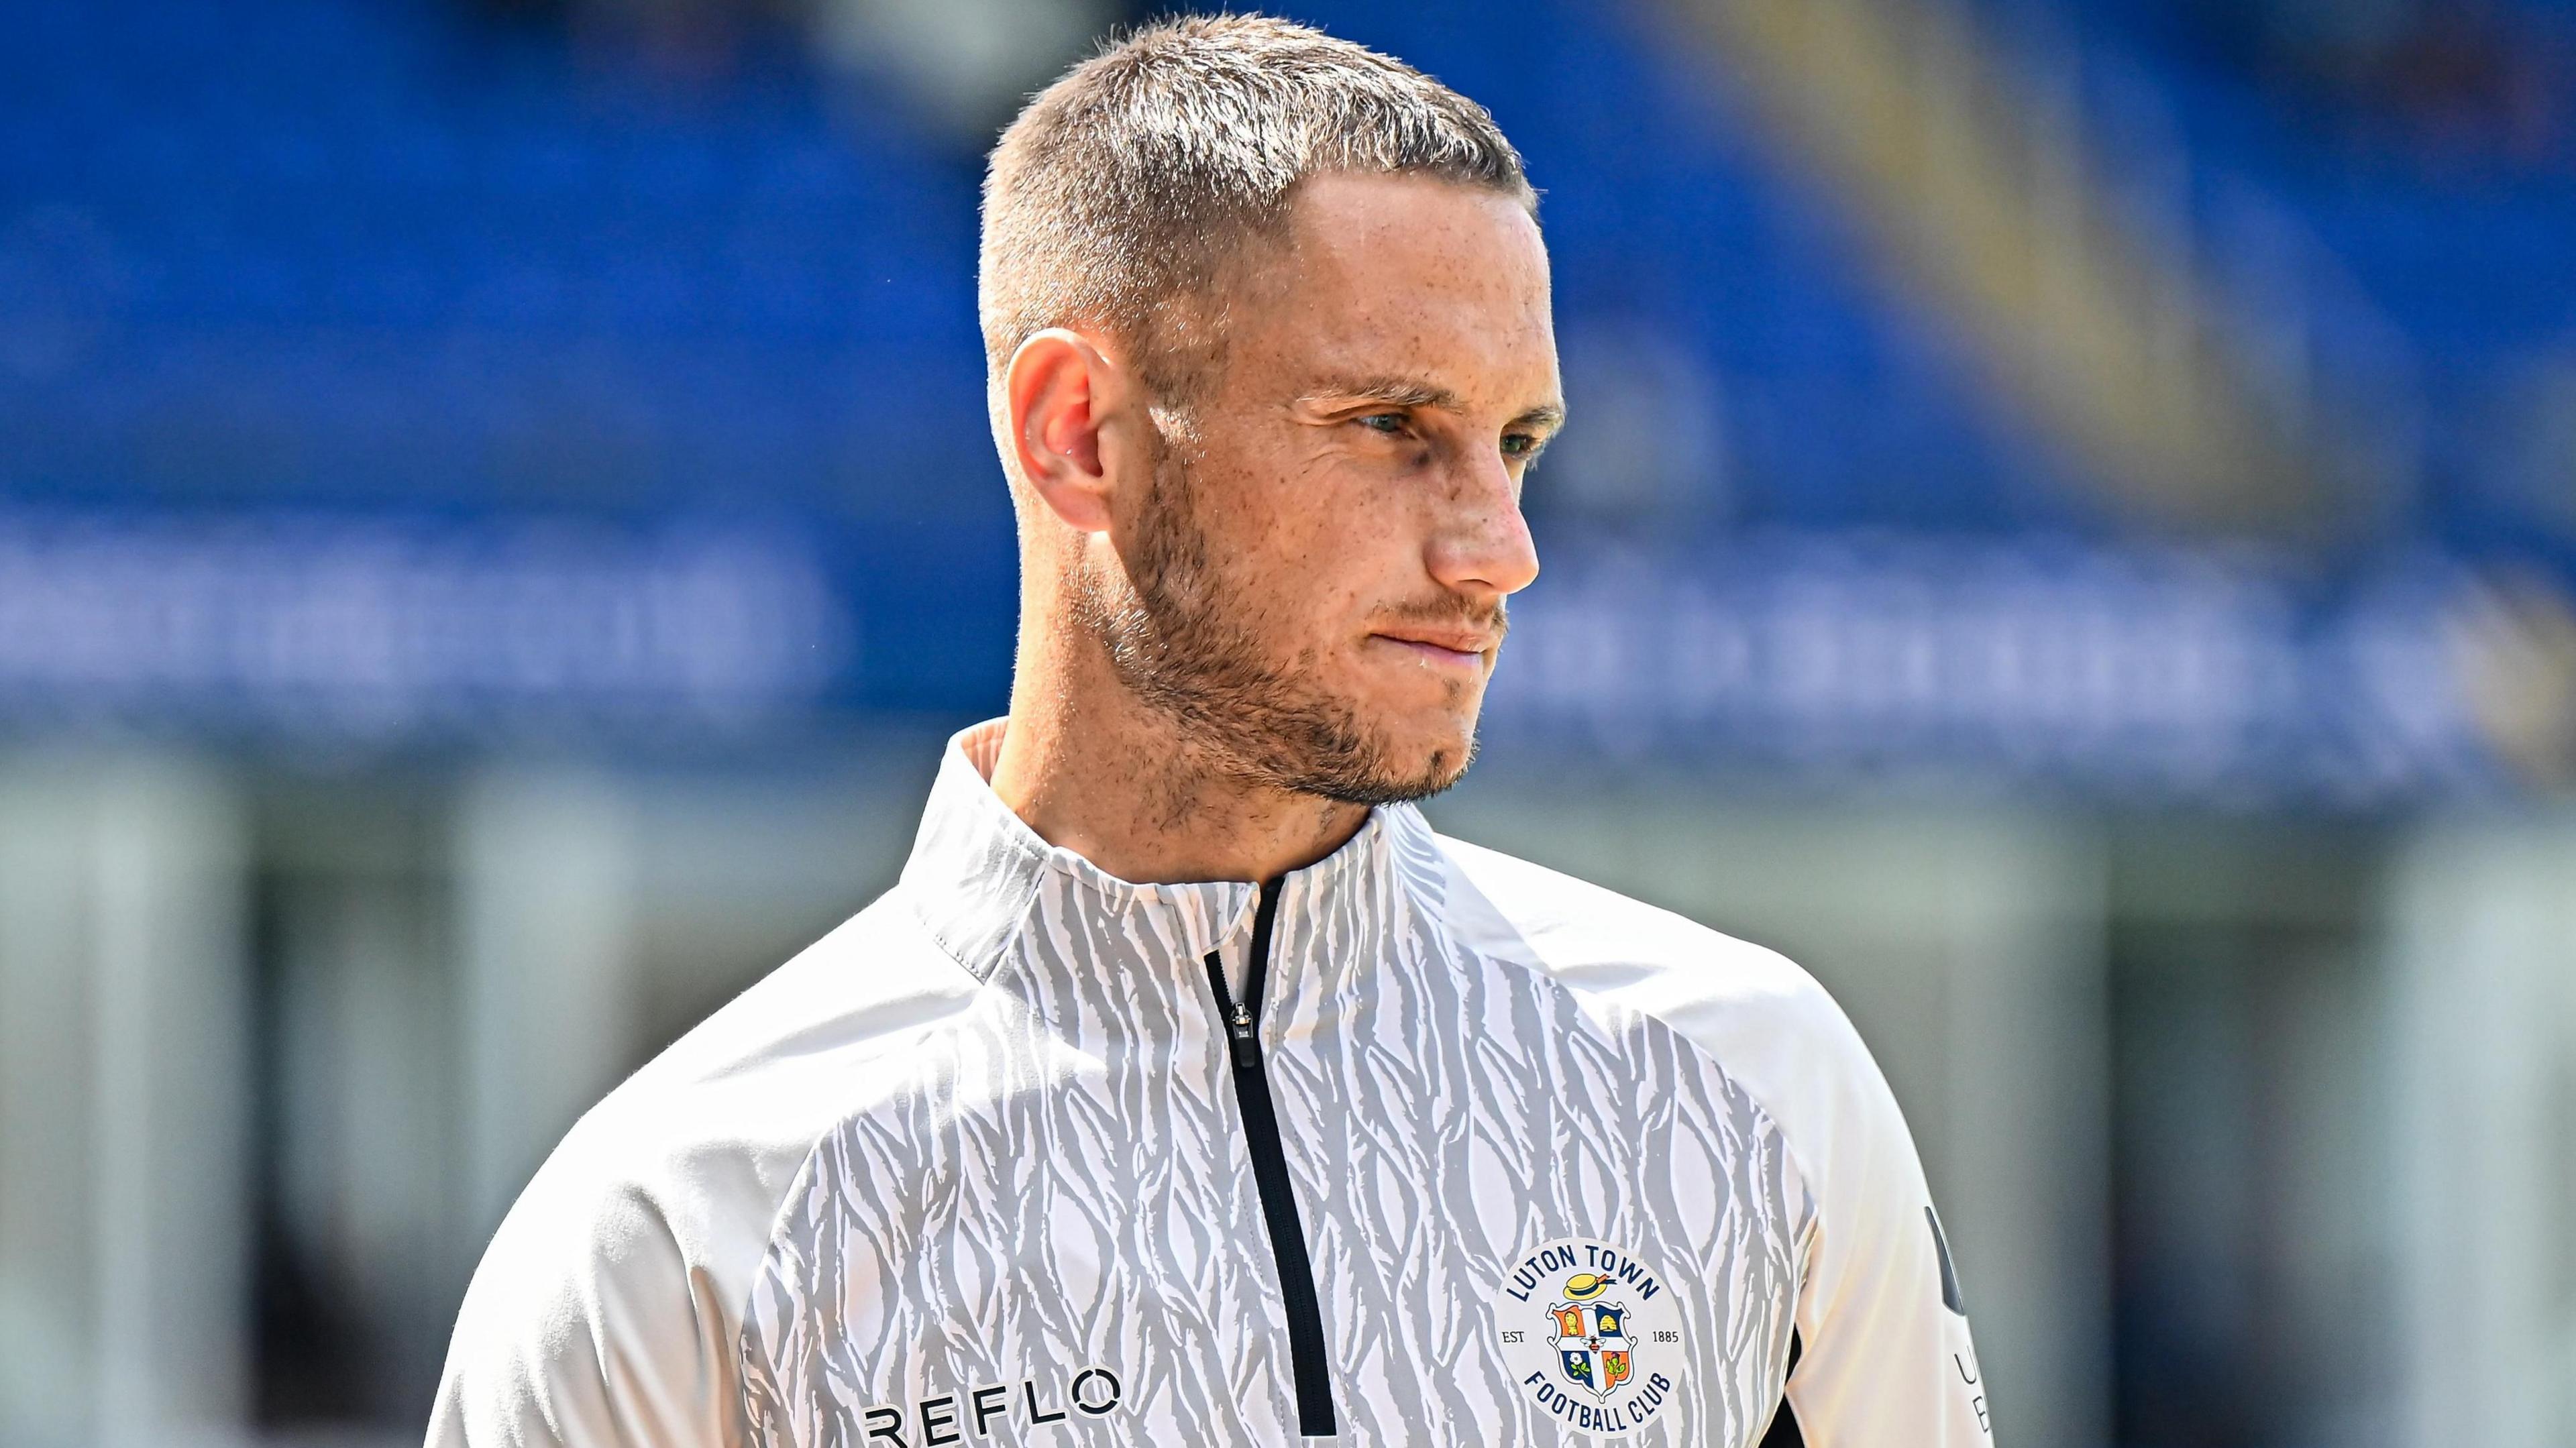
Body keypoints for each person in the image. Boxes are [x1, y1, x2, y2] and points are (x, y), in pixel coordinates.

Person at [429, 15, 1991, 1446]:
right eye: (1392, 427)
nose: (1502, 549)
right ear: (1078, 433)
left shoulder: (1747, 1079)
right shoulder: (676, 1233)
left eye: (1516, 443)